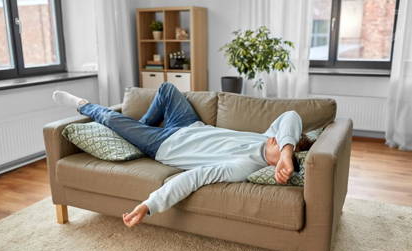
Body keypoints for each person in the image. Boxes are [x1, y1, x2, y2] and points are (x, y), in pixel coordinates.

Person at [53, 82, 304, 228]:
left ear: (276, 167)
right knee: (167, 88)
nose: (275, 138)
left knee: (111, 118)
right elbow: (291, 117)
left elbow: (191, 179)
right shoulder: (269, 139)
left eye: (279, 145)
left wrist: (148, 205)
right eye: (281, 142)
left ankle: (82, 104)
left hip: (164, 143)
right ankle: (137, 131)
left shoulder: (243, 167)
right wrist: (286, 149)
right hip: (189, 125)